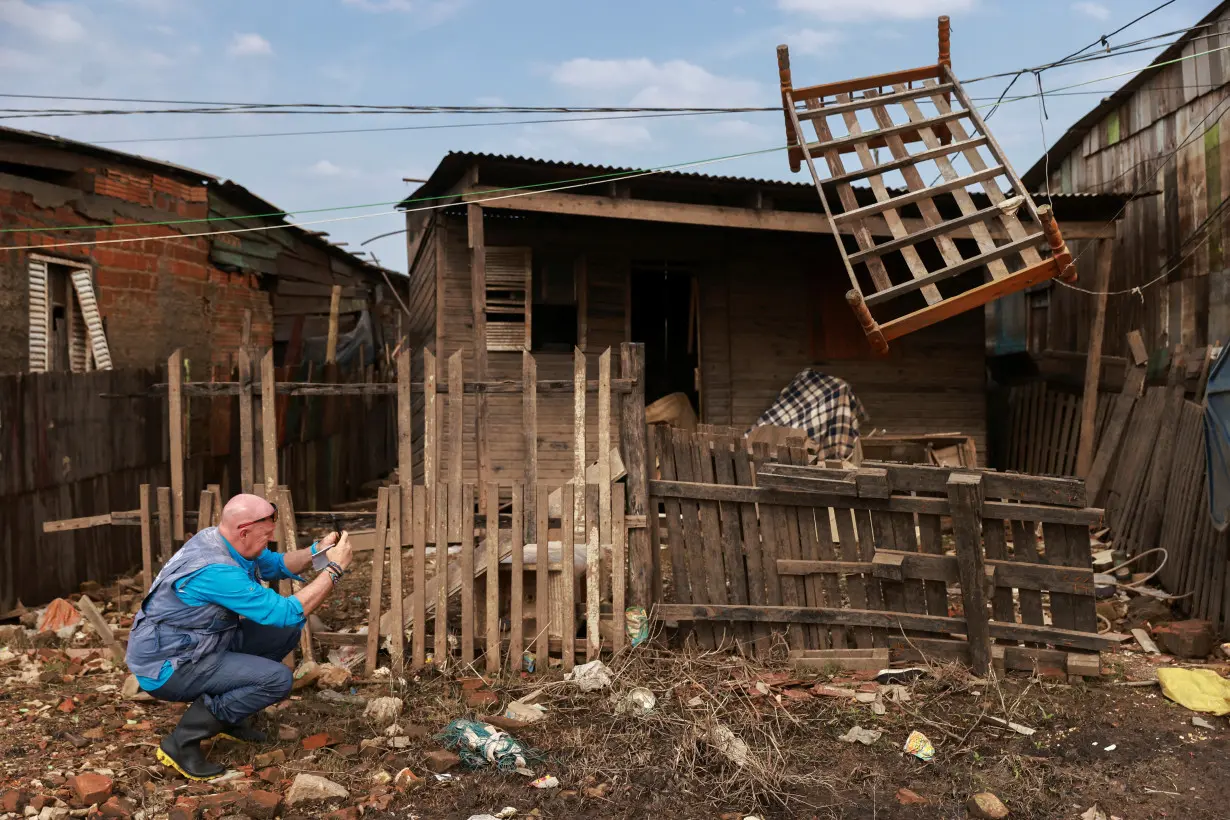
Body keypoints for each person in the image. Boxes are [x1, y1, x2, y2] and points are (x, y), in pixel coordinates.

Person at [125, 493, 354, 780]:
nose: (269, 541)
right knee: (277, 679)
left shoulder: (221, 539)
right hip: (169, 665)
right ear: (244, 531)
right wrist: (334, 569)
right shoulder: (216, 570)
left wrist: (317, 551)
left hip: (199, 643)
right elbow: (284, 611)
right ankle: (180, 744)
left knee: (282, 634)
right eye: (266, 536)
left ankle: (228, 719)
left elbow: (274, 563)